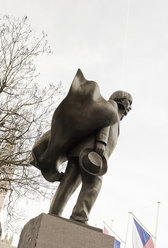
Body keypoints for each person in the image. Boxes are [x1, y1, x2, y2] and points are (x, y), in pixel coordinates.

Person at [31, 69, 132, 223]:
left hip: (80, 153)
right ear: (121, 100)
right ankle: (80, 216)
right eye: (129, 102)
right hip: (93, 153)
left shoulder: (117, 116)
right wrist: (101, 143)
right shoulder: (111, 106)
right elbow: (106, 119)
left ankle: (54, 214)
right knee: (94, 183)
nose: (130, 107)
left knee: (69, 183)